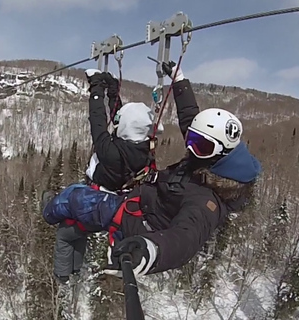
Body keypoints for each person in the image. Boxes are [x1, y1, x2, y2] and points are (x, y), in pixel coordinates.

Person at [44, 61, 262, 283]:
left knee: (75, 197)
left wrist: (151, 250)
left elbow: (186, 238)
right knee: (74, 217)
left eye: (200, 146)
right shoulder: (209, 157)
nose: (191, 148)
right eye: (193, 140)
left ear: (219, 152)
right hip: (142, 198)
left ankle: (47, 209)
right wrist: (179, 81)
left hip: (142, 221)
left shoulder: (207, 202)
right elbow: (189, 117)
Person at [83, 69, 164, 192]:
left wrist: (96, 88)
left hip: (97, 190)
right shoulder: (144, 148)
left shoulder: (111, 153)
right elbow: (119, 119)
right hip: (123, 191)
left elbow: (97, 119)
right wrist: (113, 90)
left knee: (64, 201)